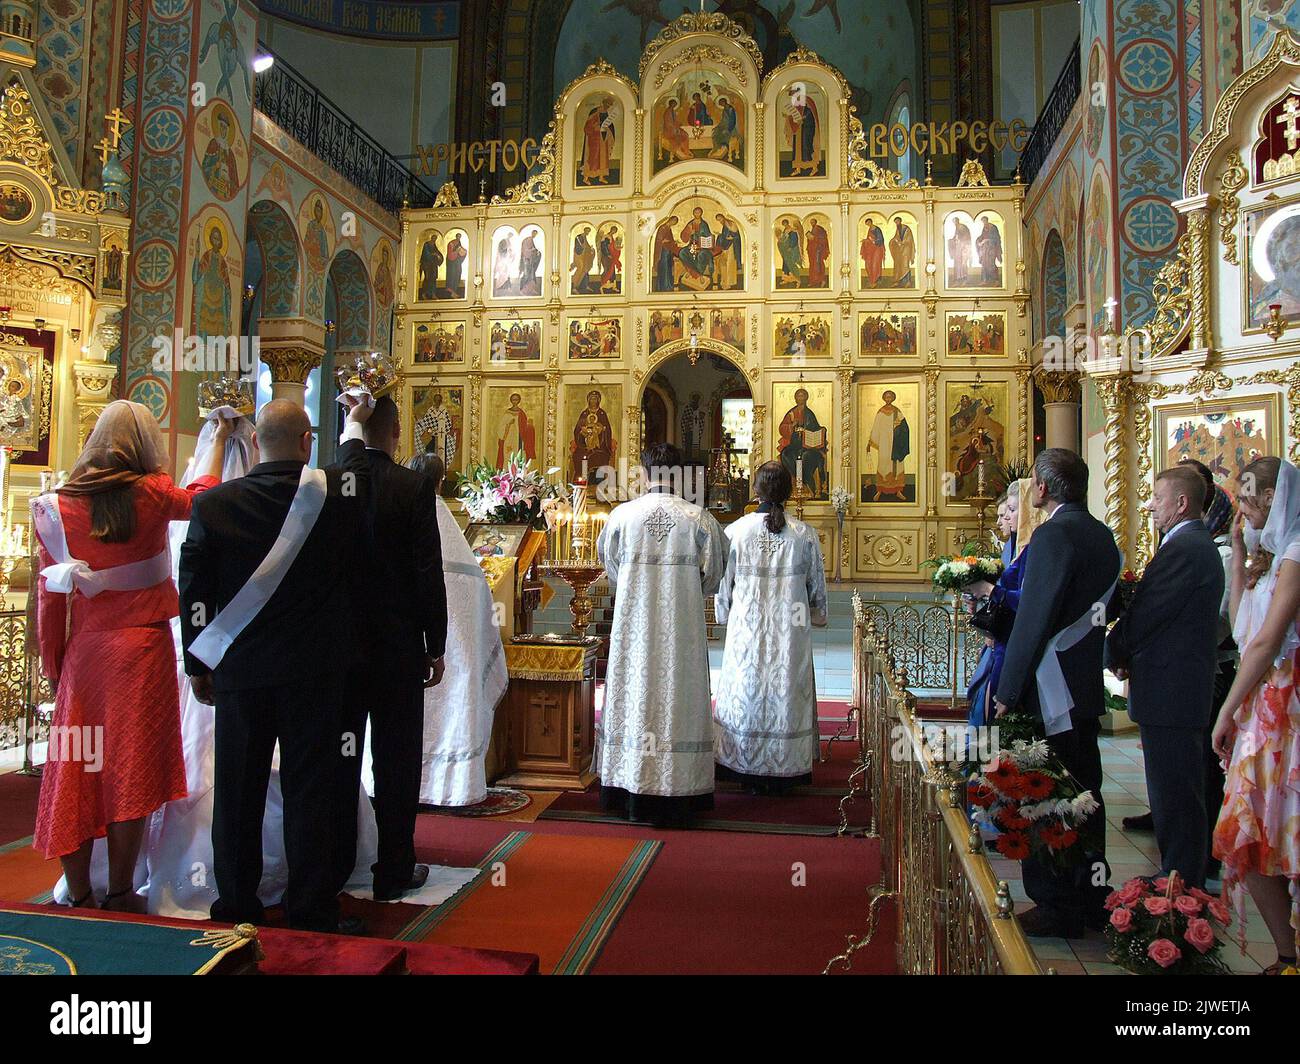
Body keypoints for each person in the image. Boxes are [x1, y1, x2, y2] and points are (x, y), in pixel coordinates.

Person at [179, 398, 373, 933]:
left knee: (237, 791)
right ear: (308, 442)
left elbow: (193, 592)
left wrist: (199, 662)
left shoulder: (214, 506)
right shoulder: (336, 502)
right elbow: (359, 484)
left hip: (240, 674)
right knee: (311, 789)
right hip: (316, 673)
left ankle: (236, 904)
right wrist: (355, 419)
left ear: (256, 442)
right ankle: (310, 906)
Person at [32, 401, 229, 911]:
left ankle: (78, 892)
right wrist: (220, 440)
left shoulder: (55, 506)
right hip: (142, 652)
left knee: (76, 768)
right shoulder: (151, 492)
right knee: (130, 772)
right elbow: (201, 499)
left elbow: (48, 602)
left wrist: (56, 669)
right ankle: (121, 890)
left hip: (87, 658)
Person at [994, 448, 1122, 937]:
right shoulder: (1100, 534)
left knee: (1042, 788)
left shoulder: (1052, 536)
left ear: (1042, 489)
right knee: (1085, 788)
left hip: (1048, 689)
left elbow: (1035, 617)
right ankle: (1091, 892)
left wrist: (1008, 688)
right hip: (1083, 684)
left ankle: (1055, 902)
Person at [336, 395, 447, 902]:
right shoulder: (414, 486)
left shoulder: (335, 482)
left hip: (340, 648)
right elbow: (429, 574)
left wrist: (350, 426)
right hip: (400, 648)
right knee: (397, 758)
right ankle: (393, 870)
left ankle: (335, 868)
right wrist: (435, 643)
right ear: (397, 432)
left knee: (341, 754)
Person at [596, 443, 727, 827]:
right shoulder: (698, 518)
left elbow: (612, 570)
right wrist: (683, 592)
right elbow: (714, 574)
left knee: (634, 691)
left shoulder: (622, 516)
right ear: (680, 473)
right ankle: (678, 790)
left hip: (633, 629)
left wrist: (638, 587)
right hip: (681, 631)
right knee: (677, 694)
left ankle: (629, 785)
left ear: (645, 471)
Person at [1105, 465, 1224, 889]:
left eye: (1157, 497)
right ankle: (1178, 873)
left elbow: (1150, 612)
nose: (1150, 505)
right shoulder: (1187, 544)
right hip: (1171, 688)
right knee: (1174, 789)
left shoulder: (1187, 548)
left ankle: (1180, 879)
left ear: (1181, 502)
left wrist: (1114, 649)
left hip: (1173, 691)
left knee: (1177, 793)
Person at [1211, 457, 1300, 974]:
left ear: (1273, 498)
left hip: (1286, 709)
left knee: (1285, 828)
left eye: (1246, 500)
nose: (1239, 510)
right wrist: (1241, 552)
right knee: (1252, 834)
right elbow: (1245, 626)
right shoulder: (1273, 554)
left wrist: (1227, 710)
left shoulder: (1297, 550)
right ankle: (1287, 955)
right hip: (1262, 707)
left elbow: (1267, 642)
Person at [388, 453, 507, 806]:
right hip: (453, 662)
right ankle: (452, 787)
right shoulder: (459, 550)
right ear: (441, 482)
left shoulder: (398, 527)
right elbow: (481, 604)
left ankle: (393, 788)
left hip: (403, 653)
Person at [713, 461, 827, 794]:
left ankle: (741, 762)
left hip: (746, 630)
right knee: (785, 688)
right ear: (789, 491)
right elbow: (817, 588)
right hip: (789, 632)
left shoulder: (736, 531)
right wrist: (817, 613)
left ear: (757, 489)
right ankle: (785, 763)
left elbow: (724, 585)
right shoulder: (804, 534)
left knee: (745, 687)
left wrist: (725, 614)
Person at [964, 479, 1045, 729]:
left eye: (1011, 510)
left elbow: (1028, 600)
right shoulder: (1014, 547)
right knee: (981, 695)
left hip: (1014, 639)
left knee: (995, 702)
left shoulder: (1035, 549)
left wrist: (989, 590)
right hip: (1001, 637)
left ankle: (993, 761)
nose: (1005, 518)